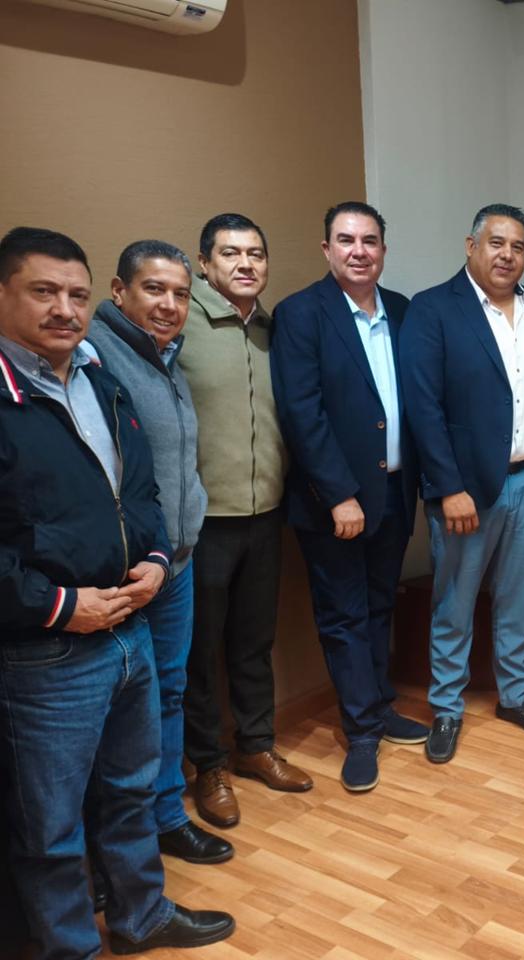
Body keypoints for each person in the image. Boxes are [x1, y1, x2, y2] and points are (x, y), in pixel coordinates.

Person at [0, 226, 234, 956]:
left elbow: (140, 492)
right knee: (50, 828)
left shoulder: (98, 381)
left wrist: (158, 559)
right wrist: (60, 606)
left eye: (74, 294)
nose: (64, 309)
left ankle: (141, 917)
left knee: (131, 790)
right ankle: (73, 946)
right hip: (47, 650)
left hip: (130, 622)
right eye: (43, 292)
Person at [400, 204, 524, 763]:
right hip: (466, 490)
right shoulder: (433, 309)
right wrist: (447, 487)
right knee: (455, 601)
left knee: (519, 599)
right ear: (471, 245)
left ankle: (515, 695)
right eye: (497, 243)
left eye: (518, 246)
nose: (507, 255)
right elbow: (423, 406)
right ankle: (447, 707)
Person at [272, 201, 428, 791]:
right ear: (327, 249)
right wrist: (338, 494)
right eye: (346, 240)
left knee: (381, 604)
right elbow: (302, 412)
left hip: (395, 490)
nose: (358, 251)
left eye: (369, 241)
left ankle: (380, 706)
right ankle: (361, 731)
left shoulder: (404, 311)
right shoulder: (301, 314)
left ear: (383, 249)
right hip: (336, 502)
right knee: (344, 615)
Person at [86, 241, 234, 863]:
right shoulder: (94, 356)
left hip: (176, 560)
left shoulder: (167, 356)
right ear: (120, 291)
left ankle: (167, 816)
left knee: (170, 692)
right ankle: (118, 844)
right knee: (125, 711)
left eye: (179, 293)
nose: (169, 304)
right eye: (154, 289)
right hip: (123, 573)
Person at [178, 213, 312, 829]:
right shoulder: (181, 324)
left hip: (266, 513)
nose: (246, 264)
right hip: (206, 521)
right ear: (205, 263)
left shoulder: (271, 327)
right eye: (230, 253)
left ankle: (256, 746)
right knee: (201, 652)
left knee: (254, 642)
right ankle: (209, 765)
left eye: (256, 253)